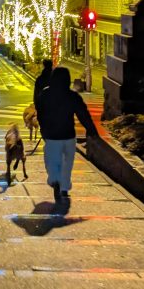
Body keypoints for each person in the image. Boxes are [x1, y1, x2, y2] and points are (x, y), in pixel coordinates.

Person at [36, 66, 99, 202]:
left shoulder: (45, 95)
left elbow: (40, 113)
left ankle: (55, 179)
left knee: (52, 161)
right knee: (67, 163)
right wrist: (92, 130)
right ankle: (64, 188)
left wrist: (43, 128)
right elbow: (83, 114)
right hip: (68, 135)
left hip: (51, 136)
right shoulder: (72, 96)